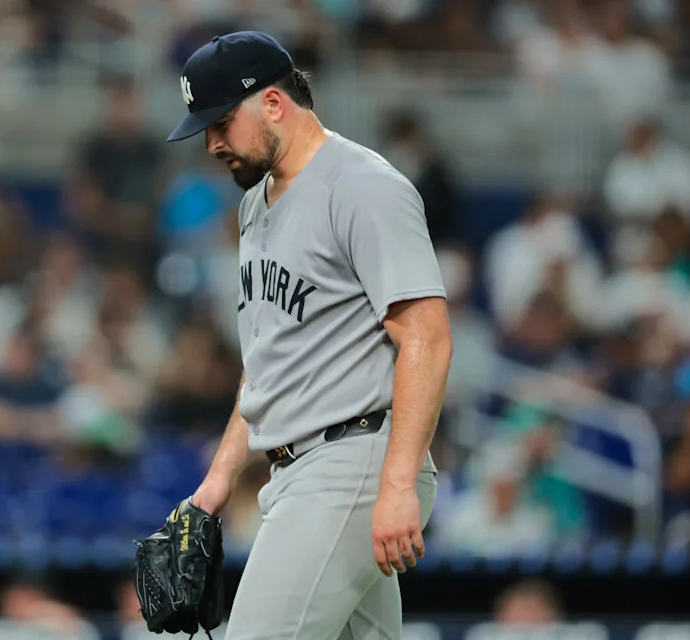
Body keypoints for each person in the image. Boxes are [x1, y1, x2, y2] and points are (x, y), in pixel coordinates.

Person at [164, 31, 451, 639]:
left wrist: (398, 484)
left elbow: (426, 338)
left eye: (221, 122)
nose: (212, 143)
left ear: (273, 103)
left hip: (353, 460)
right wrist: (215, 485)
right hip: (297, 469)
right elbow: (268, 363)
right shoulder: (253, 205)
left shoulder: (362, 186)